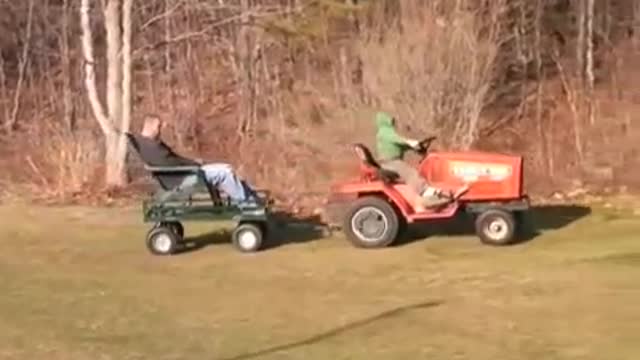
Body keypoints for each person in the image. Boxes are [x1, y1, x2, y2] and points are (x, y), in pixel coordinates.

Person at [135, 115, 258, 206]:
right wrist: (194, 164)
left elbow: (174, 160)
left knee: (227, 168)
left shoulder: (147, 144)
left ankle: (251, 199)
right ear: (150, 127)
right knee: (225, 173)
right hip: (183, 177)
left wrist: (193, 162)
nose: (160, 130)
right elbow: (172, 163)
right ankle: (248, 205)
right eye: (158, 127)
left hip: (184, 173)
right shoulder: (153, 147)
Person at [374, 111, 469, 212]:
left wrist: (414, 146)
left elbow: (400, 145)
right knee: (411, 173)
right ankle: (426, 192)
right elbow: (397, 139)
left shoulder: (387, 132)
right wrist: (410, 142)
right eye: (391, 120)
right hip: (390, 162)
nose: (393, 122)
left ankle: (433, 195)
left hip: (392, 161)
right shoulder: (385, 132)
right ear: (385, 121)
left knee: (416, 171)